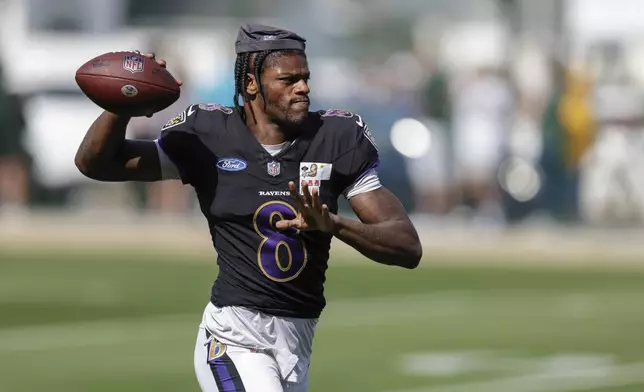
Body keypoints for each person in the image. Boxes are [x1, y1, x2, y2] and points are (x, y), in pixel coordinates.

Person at [74, 24, 422, 392]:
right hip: (234, 336)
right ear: (252, 84)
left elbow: (406, 247)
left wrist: (334, 224)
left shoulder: (334, 138)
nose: (302, 88)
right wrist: (120, 105)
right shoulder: (208, 136)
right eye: (288, 80)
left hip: (297, 339)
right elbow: (97, 164)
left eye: (305, 78)